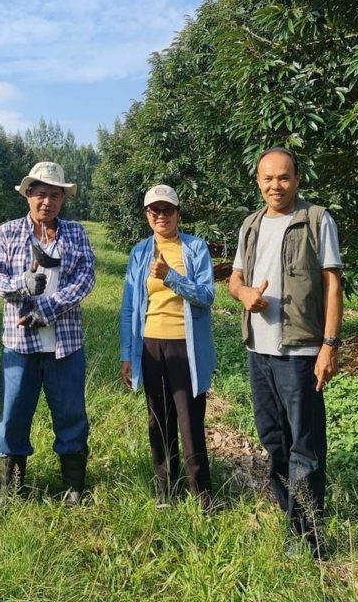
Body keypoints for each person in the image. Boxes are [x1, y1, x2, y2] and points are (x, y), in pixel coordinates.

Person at [228, 147, 343, 559]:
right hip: (258, 350)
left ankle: (309, 538)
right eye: (267, 179)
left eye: (283, 178)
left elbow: (332, 284)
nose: (275, 185)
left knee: (305, 446)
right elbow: (236, 278)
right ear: (258, 182)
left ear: (296, 179)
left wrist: (329, 345)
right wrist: (243, 294)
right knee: (273, 440)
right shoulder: (251, 225)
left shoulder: (316, 220)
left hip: (301, 350)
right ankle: (291, 515)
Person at [0, 161, 97, 506]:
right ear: (27, 196)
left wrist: (47, 308)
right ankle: (13, 487)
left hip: (65, 343)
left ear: (62, 200)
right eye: (40, 195)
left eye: (54, 195)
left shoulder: (76, 233)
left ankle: (73, 486)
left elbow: (86, 278)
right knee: (14, 413)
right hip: (20, 344)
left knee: (70, 412)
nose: (46, 202)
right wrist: (22, 285)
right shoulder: (7, 233)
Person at [119, 184, 216, 509]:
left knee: (189, 420)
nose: (161, 216)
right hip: (151, 346)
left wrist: (171, 276)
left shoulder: (195, 248)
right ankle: (165, 490)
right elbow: (130, 306)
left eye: (168, 210)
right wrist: (127, 355)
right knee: (158, 419)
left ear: (178, 213)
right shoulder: (139, 253)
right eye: (154, 210)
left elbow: (206, 296)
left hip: (186, 347)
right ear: (147, 215)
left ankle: (202, 493)